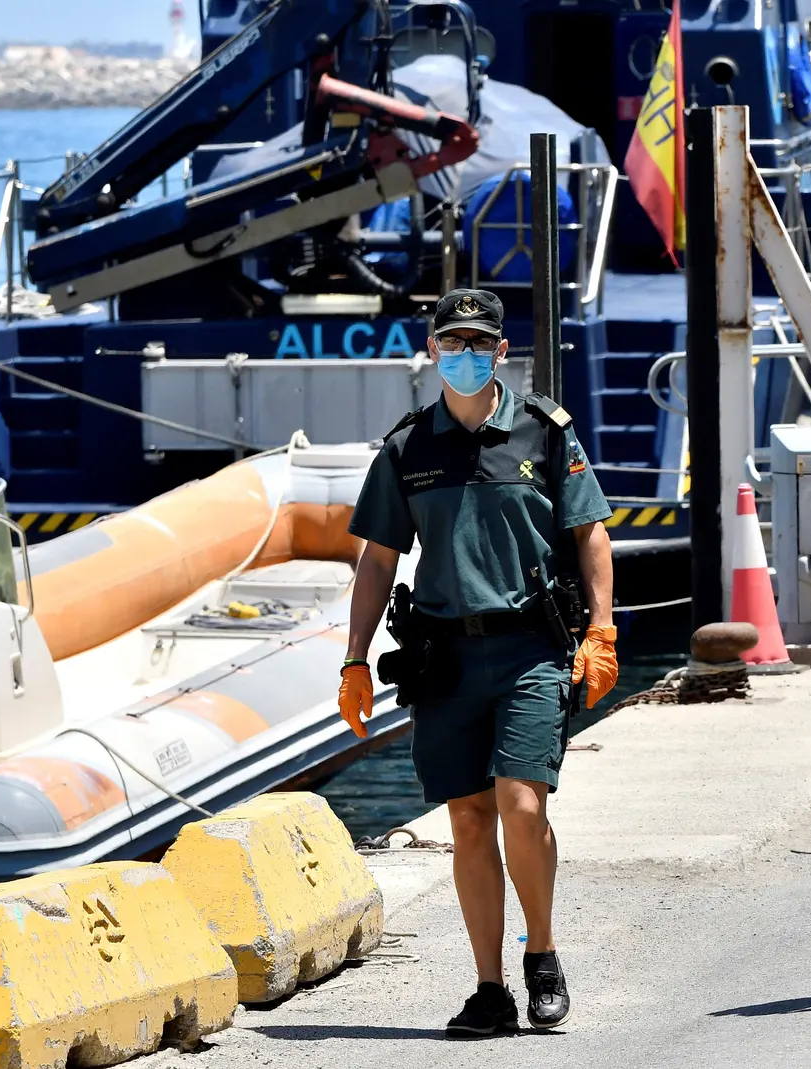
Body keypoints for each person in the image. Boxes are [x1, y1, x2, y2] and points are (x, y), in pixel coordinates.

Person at [336, 288, 619, 1036]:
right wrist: (354, 659)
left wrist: (603, 629)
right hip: (444, 656)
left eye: (478, 342)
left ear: (501, 352)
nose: (463, 353)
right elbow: (377, 561)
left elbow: (590, 532)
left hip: (531, 648)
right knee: (466, 818)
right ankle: (489, 987)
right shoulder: (407, 448)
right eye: (449, 341)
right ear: (433, 350)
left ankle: (544, 954)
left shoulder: (544, 432)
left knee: (523, 804)